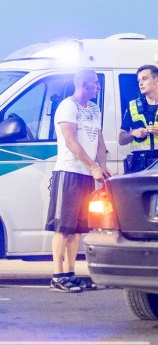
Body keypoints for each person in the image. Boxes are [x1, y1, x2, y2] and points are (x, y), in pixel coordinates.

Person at [46, 69, 110, 292]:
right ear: (83, 84)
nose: (98, 87)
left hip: (87, 175)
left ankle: (70, 273)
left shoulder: (94, 109)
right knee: (63, 227)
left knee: (76, 229)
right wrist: (92, 165)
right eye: (95, 83)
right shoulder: (68, 106)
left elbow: (99, 141)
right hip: (69, 172)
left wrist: (101, 165)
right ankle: (57, 275)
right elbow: (70, 141)